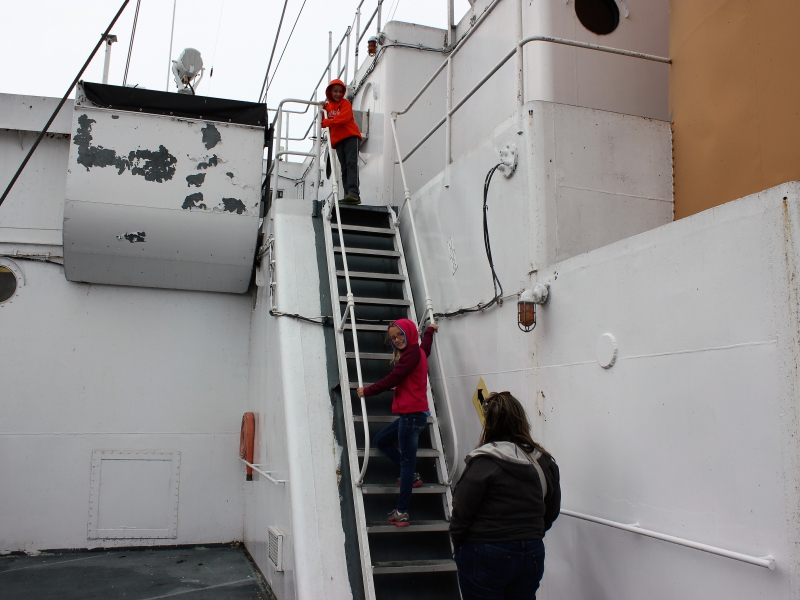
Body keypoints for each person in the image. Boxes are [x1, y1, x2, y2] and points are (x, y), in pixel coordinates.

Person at [450, 391, 561, 600]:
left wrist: (459, 545)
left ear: (489, 423)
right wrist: (529, 535)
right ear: (521, 420)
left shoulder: (483, 462)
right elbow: (551, 510)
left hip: (485, 551)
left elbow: (461, 513)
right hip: (531, 552)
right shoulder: (544, 462)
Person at [357, 319, 438, 526]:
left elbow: (394, 379)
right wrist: (429, 330)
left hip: (411, 416)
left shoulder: (410, 355)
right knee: (381, 440)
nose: (397, 339)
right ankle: (413, 476)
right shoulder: (418, 351)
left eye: (400, 334)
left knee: (407, 465)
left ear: (408, 333)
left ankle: (401, 511)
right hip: (413, 415)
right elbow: (426, 346)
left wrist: (367, 391)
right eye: (393, 338)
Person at [322, 79, 363, 205]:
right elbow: (321, 122)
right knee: (344, 168)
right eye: (335, 91)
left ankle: (354, 193)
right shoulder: (327, 107)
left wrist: (327, 122)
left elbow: (343, 119)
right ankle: (348, 195)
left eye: (340, 91)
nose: (338, 94)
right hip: (338, 140)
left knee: (351, 164)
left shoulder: (346, 104)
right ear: (330, 92)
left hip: (351, 136)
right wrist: (322, 108)